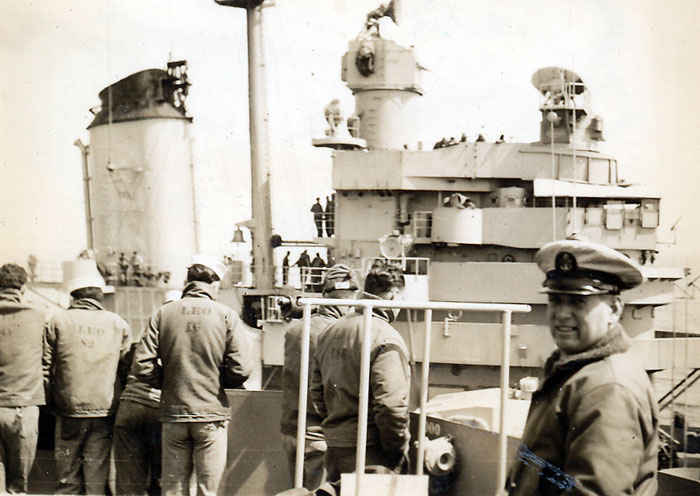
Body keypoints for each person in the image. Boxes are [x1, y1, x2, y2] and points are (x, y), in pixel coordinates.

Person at [505, 238, 659, 495]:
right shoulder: (575, 371)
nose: (562, 313)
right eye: (556, 299)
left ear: (614, 309)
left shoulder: (608, 389)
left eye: (578, 302)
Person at [132, 255, 252, 496]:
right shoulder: (226, 315)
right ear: (214, 283)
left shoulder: (163, 313)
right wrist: (217, 383)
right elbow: (241, 368)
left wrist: (166, 381)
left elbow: (141, 365)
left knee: (173, 490)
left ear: (188, 281)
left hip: (173, 412)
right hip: (210, 413)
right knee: (209, 490)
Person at [311, 261, 410, 483]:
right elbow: (390, 406)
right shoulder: (386, 337)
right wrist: (396, 450)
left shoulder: (331, 330)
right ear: (393, 295)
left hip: (336, 446)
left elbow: (317, 393)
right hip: (371, 451)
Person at [43, 258, 132, 495]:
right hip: (104, 409)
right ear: (100, 296)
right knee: (96, 477)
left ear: (74, 295)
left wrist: (50, 400)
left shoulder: (57, 321)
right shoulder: (117, 324)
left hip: (68, 408)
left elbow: (45, 368)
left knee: (67, 476)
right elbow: (127, 368)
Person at [280, 265, 360, 490]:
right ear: (351, 299)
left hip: (291, 430)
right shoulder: (339, 333)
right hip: (319, 436)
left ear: (325, 294)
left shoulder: (295, 329)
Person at [113, 289, 181, 495]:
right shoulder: (182, 344)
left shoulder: (141, 343)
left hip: (129, 408)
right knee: (161, 479)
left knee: (128, 483)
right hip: (161, 412)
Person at [0, 264, 47, 493]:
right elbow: (48, 360)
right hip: (26, 406)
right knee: (18, 487)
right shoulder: (39, 316)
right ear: (23, 288)